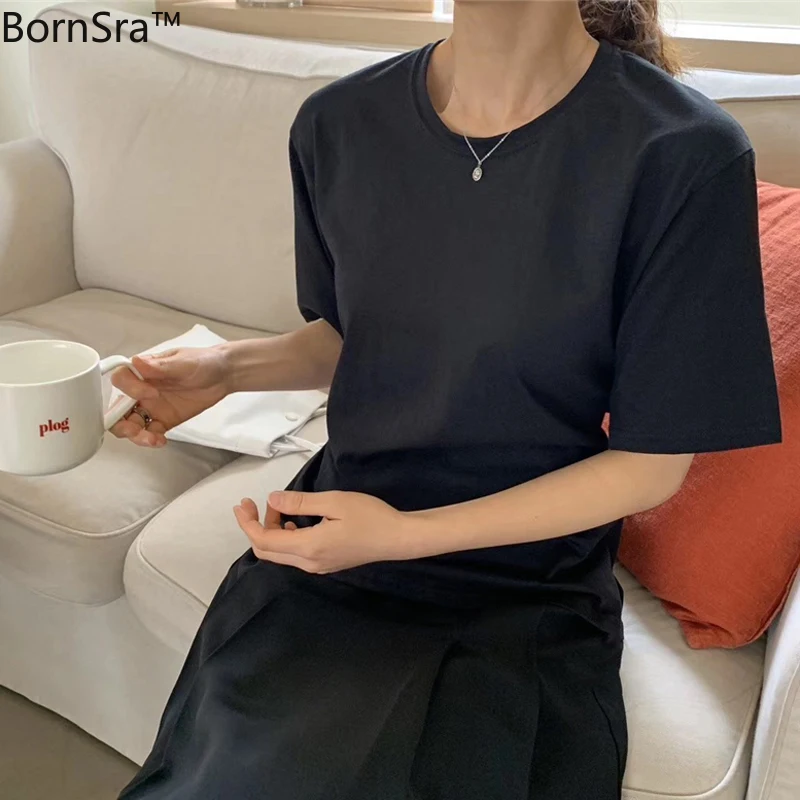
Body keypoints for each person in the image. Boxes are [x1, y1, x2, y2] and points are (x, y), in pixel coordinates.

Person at [114, 1, 782, 798]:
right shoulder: (338, 123)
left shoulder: (682, 153)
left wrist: (405, 536)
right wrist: (226, 369)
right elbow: (358, 335)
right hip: (336, 540)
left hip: (523, 580)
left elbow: (650, 466)